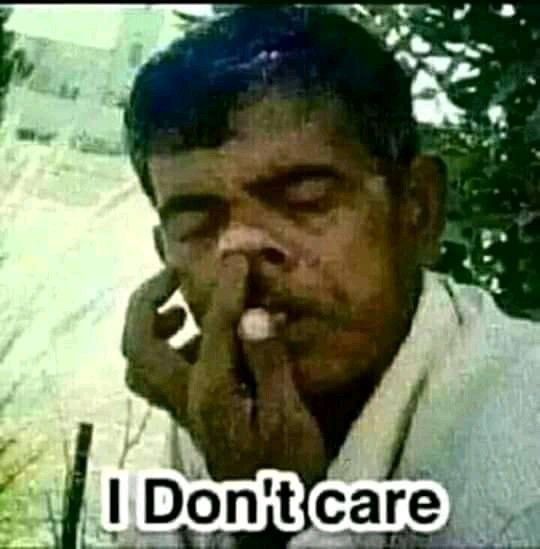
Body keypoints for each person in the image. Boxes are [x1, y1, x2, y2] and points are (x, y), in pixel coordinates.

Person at [120, 6, 540, 547]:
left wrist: (271, 522)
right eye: (197, 225)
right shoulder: (218, 402)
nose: (241, 252)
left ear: (418, 211)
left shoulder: (519, 473)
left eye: (306, 198)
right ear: (164, 256)